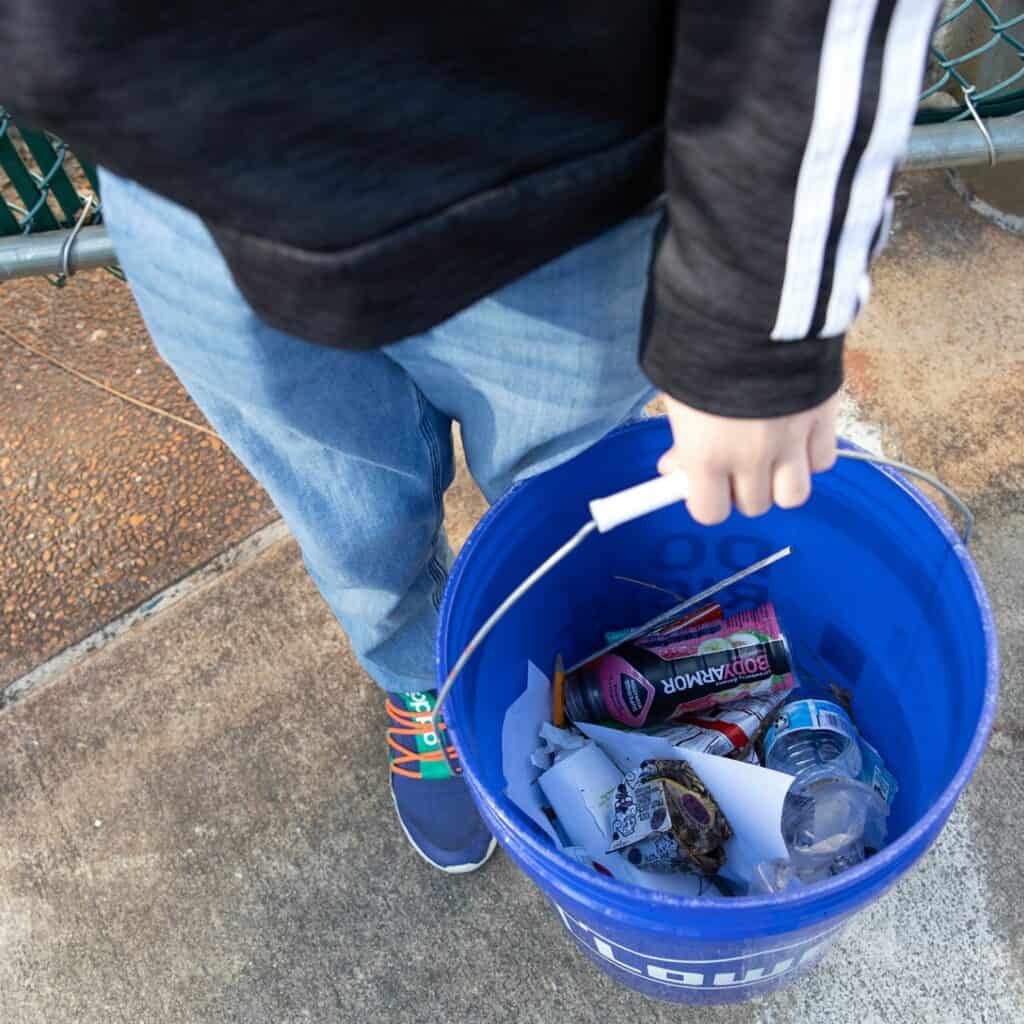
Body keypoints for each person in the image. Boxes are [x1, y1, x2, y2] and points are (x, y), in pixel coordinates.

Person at [3, 1, 941, 873]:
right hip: (190, 188)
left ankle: (585, 681)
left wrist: (758, 315)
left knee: (567, 526)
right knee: (350, 526)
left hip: (560, 191)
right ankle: (426, 682)